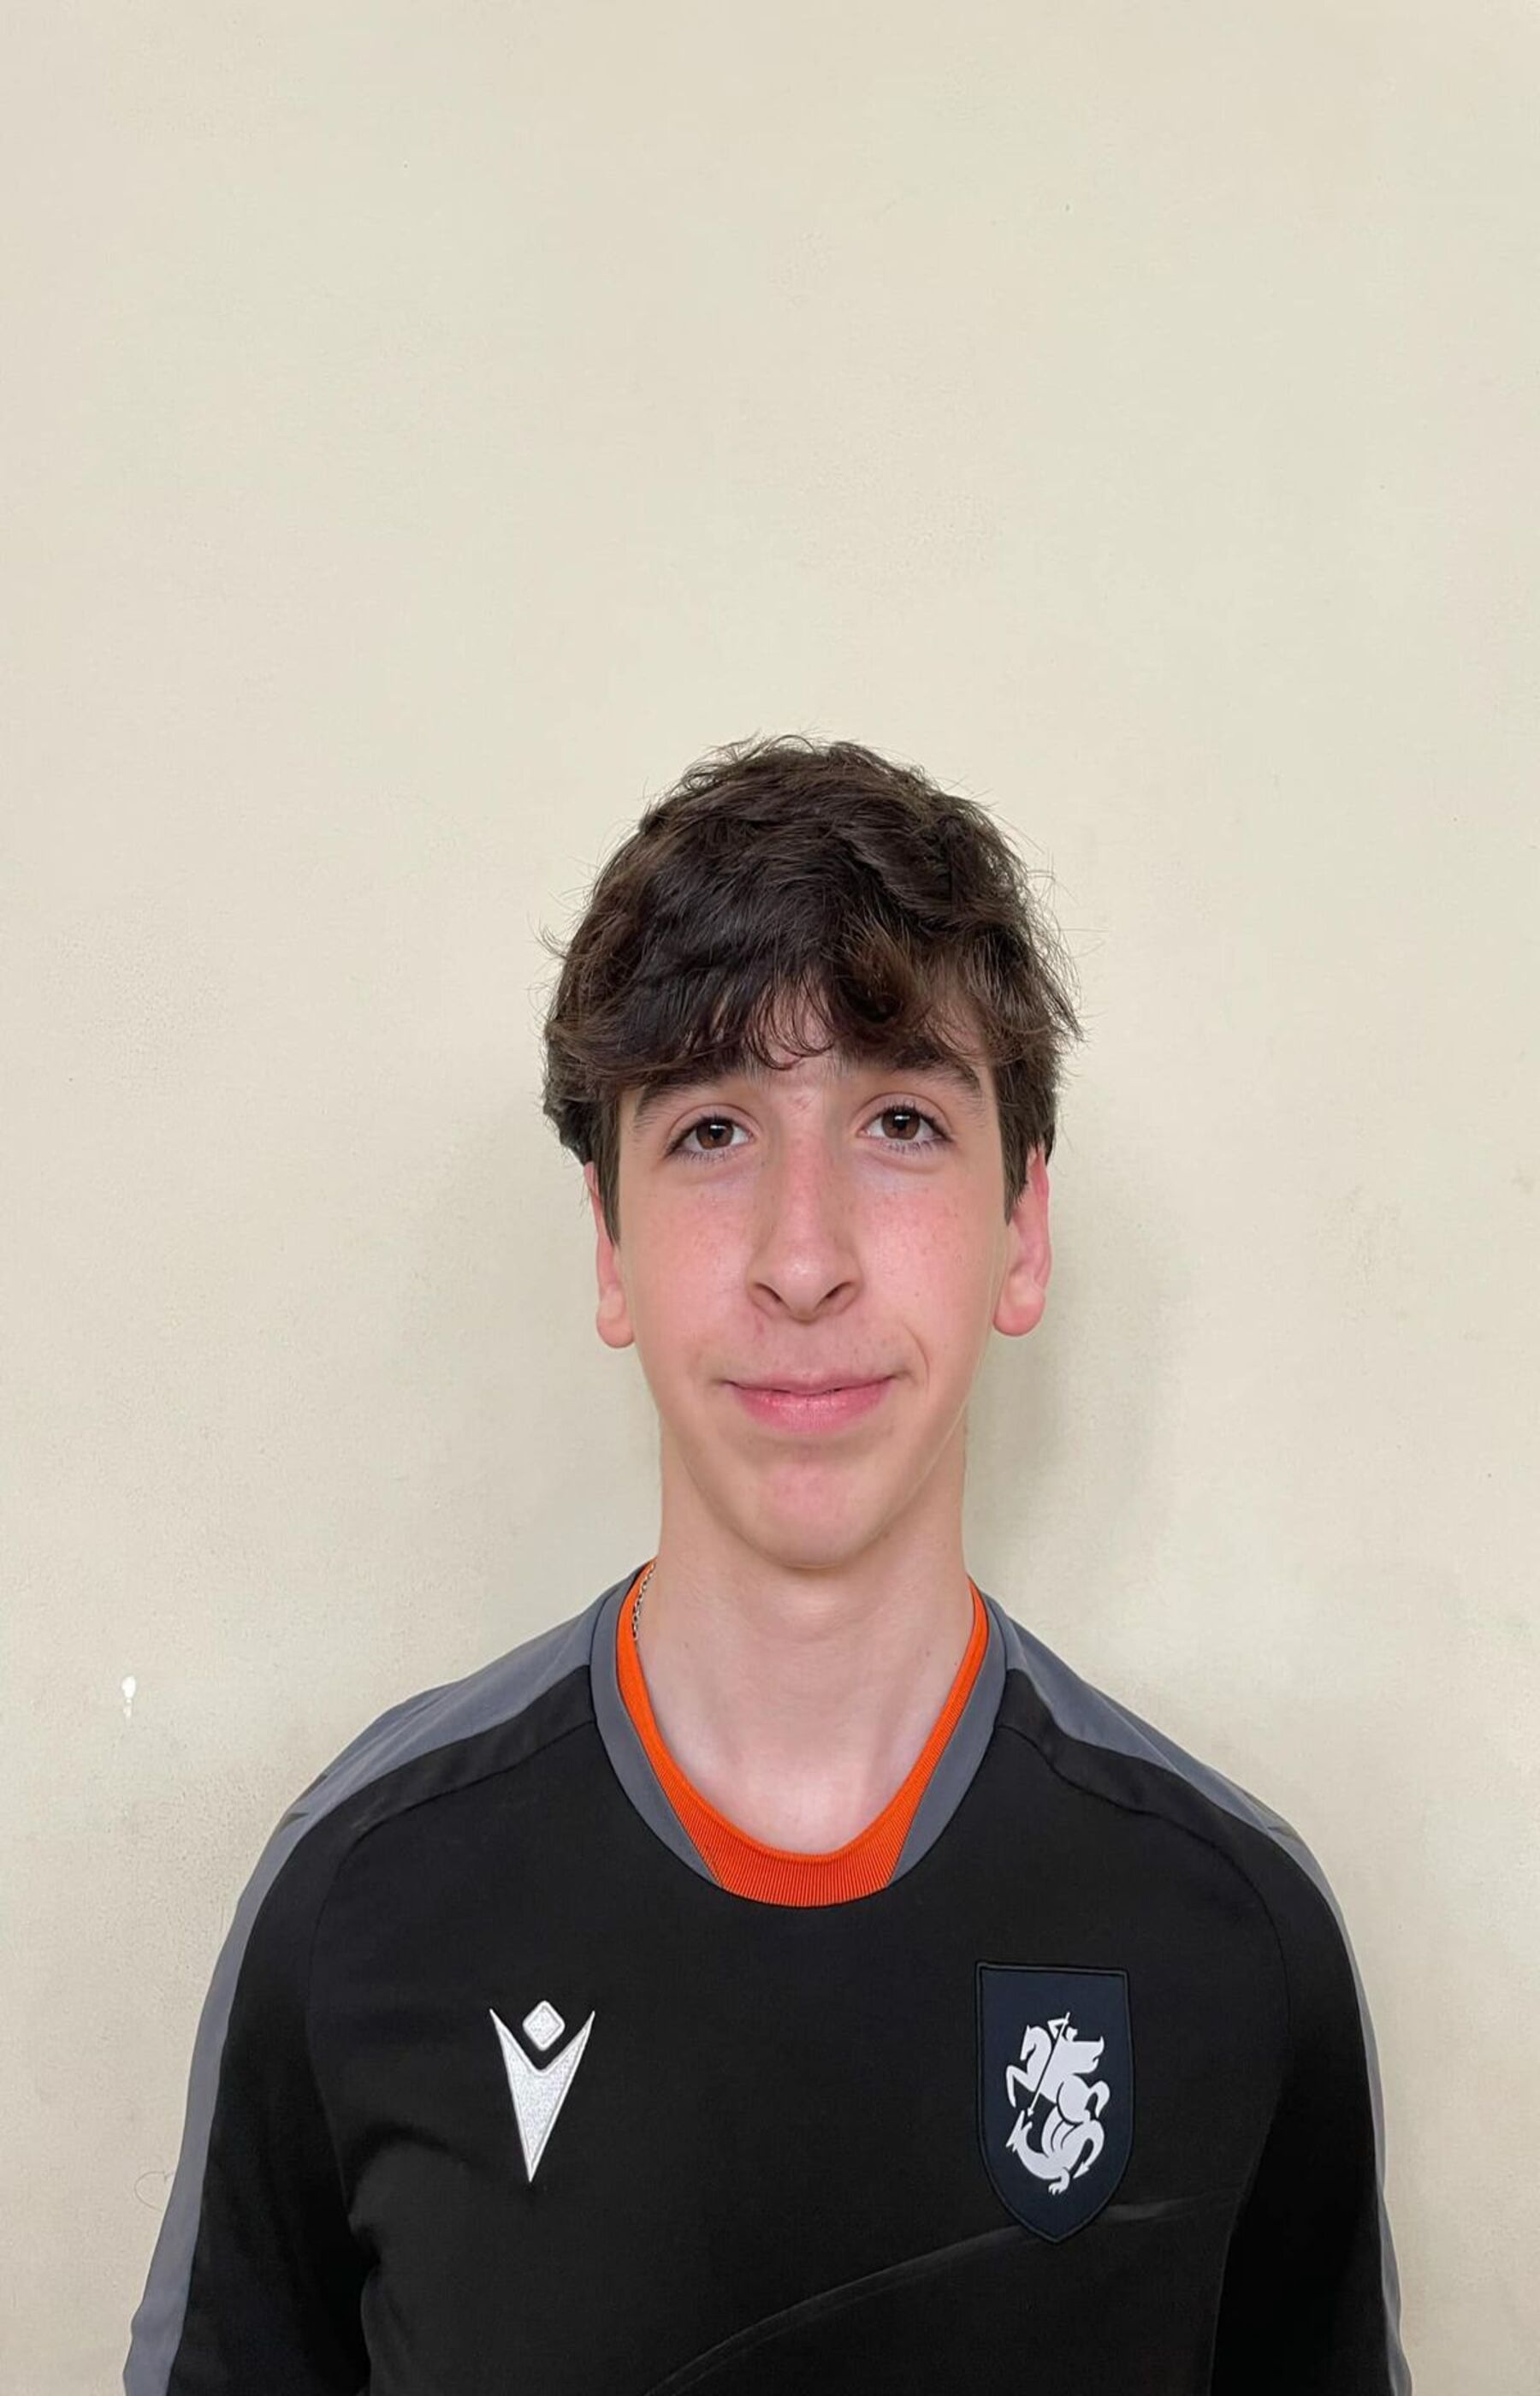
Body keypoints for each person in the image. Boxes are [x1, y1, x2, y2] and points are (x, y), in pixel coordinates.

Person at [124, 733, 1413, 2393]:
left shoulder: (1236, 1935)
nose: (805, 1256)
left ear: (1023, 1232)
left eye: (900, 1120)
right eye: (713, 1129)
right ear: (609, 1246)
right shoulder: (361, 1897)